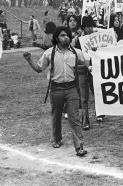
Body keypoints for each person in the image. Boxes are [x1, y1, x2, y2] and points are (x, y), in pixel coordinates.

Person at [23, 26, 88, 156]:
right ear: (57, 37)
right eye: (63, 35)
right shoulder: (49, 53)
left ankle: (79, 145)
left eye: (68, 35)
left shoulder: (76, 53)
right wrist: (30, 60)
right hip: (56, 88)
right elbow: (39, 68)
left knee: (74, 117)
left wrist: (96, 53)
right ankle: (57, 139)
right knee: (56, 116)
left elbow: (89, 63)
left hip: (72, 89)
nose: (66, 38)